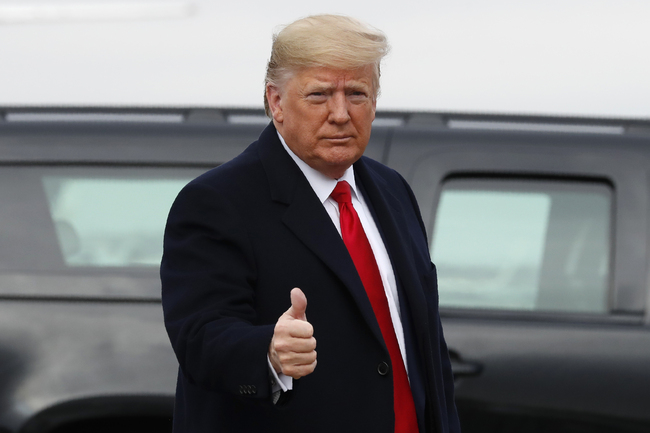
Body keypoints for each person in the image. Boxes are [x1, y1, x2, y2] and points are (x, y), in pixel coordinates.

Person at [161, 14, 460, 433]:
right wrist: (267, 351)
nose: (340, 113)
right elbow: (200, 338)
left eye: (357, 93)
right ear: (277, 102)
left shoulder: (393, 191)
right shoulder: (217, 202)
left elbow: (426, 345)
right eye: (319, 95)